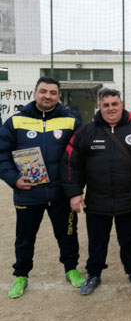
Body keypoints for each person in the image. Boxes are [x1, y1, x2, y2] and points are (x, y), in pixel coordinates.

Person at [62, 88, 131, 295]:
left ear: (122, 105)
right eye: (106, 105)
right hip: (97, 200)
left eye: (114, 104)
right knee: (97, 241)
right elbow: (71, 163)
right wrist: (75, 193)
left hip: (128, 199)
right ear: (100, 106)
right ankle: (94, 274)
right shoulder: (86, 131)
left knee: (130, 240)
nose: (111, 108)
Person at [0, 76, 83, 298]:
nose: (47, 96)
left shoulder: (71, 121)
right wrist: (13, 178)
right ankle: (21, 275)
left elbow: (79, 157)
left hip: (60, 194)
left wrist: (75, 189)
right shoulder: (15, 121)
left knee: (67, 233)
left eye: (53, 92)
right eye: (43, 91)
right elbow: (1, 154)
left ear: (59, 96)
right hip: (28, 193)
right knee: (25, 236)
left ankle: (71, 269)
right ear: (35, 93)